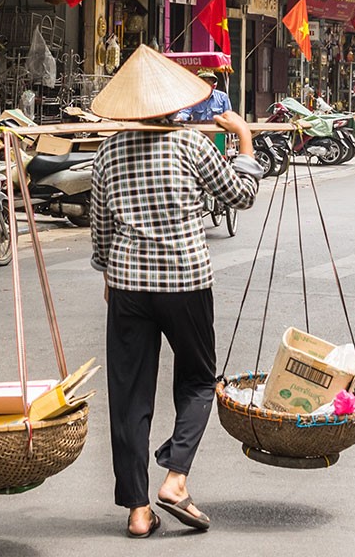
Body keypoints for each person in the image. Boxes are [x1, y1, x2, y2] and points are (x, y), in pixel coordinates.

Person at [88, 46, 260, 538]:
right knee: (201, 382)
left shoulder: (107, 152)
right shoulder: (191, 145)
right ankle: (177, 477)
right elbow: (241, 195)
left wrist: (107, 274)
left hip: (126, 285)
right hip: (185, 280)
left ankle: (138, 511)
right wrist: (245, 137)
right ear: (172, 104)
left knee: (128, 396)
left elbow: (100, 229)